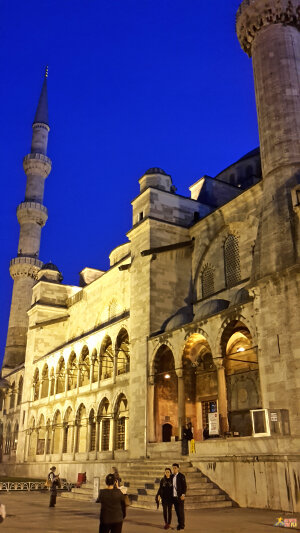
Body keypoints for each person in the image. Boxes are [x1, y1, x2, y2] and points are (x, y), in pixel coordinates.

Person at [172, 463, 187, 531]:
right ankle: (179, 525)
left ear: (178, 468)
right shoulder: (172, 476)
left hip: (180, 497)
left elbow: (184, 486)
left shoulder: (181, 476)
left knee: (181, 512)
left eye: (175, 468)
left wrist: (183, 495)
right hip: (174, 497)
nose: (174, 469)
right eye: (173, 468)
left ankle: (182, 526)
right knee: (177, 512)